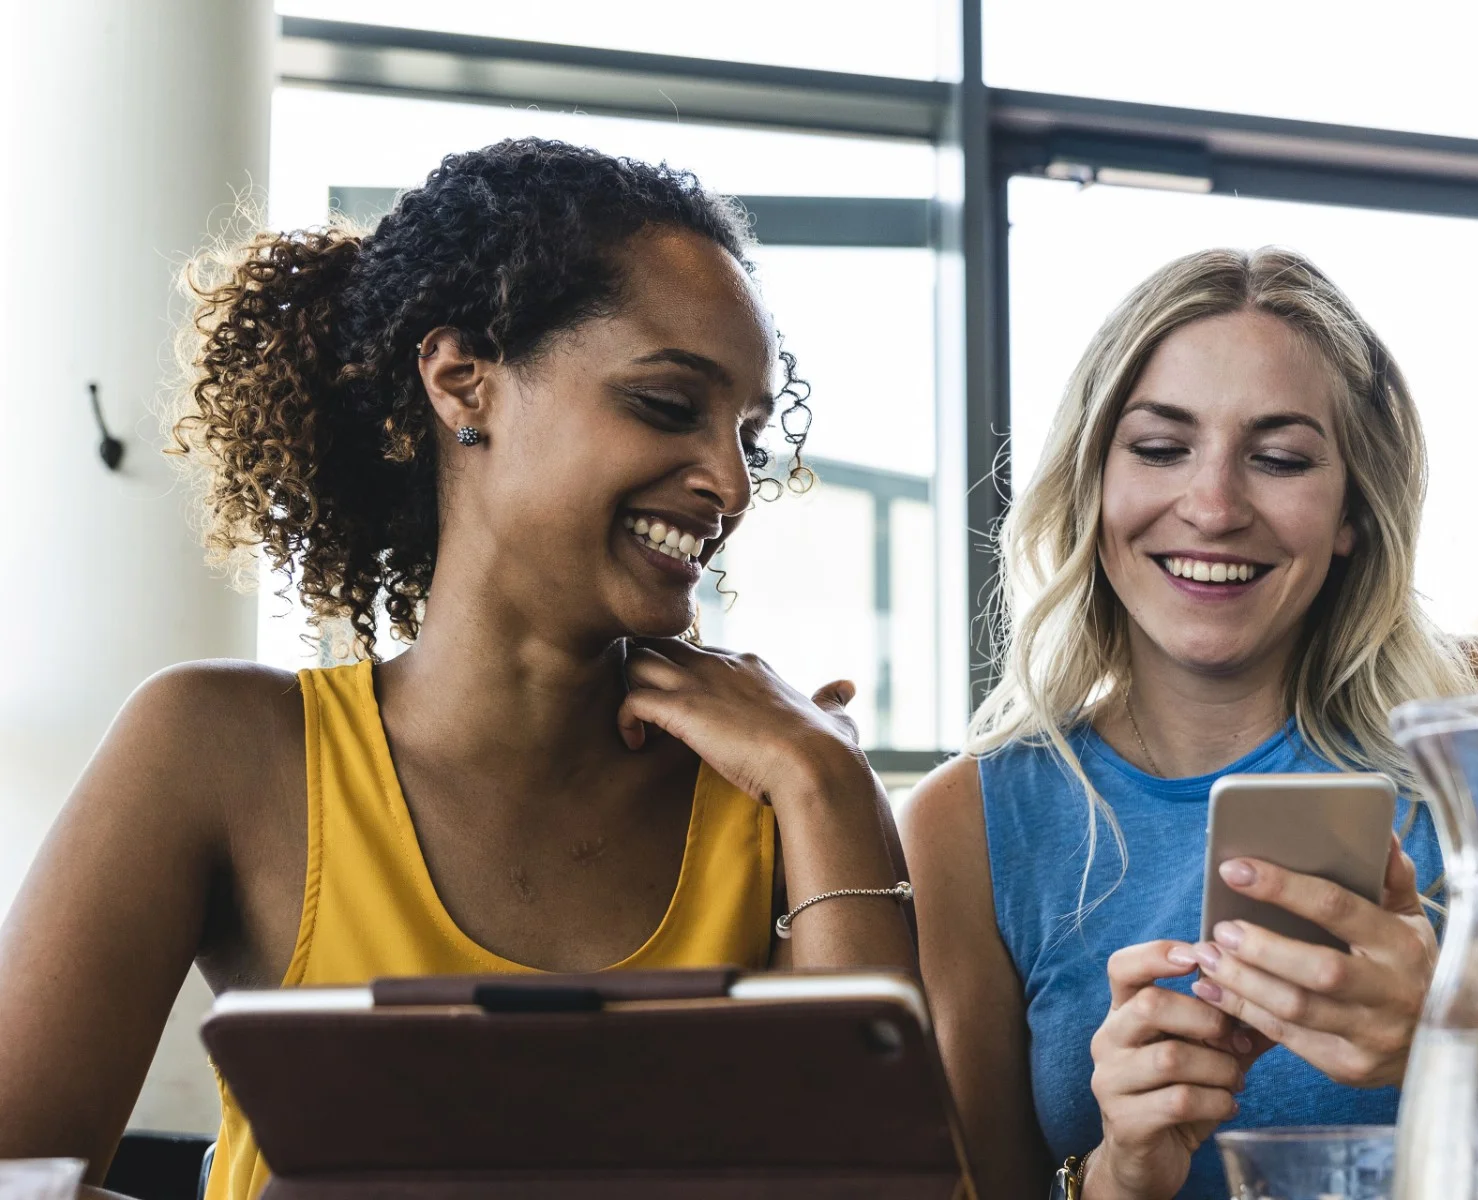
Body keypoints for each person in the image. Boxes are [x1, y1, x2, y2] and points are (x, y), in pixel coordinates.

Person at [0, 138, 913, 1200]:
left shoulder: (779, 792)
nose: (730, 483)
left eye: (748, 436)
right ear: (460, 382)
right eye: (669, 406)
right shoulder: (217, 749)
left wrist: (826, 783)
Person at [900, 247, 1478, 1200]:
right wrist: (1118, 1173)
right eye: (1158, 448)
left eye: (1279, 459)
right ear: (1093, 481)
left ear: (1353, 509)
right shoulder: (966, 821)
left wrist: (1448, 1043)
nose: (1215, 506)